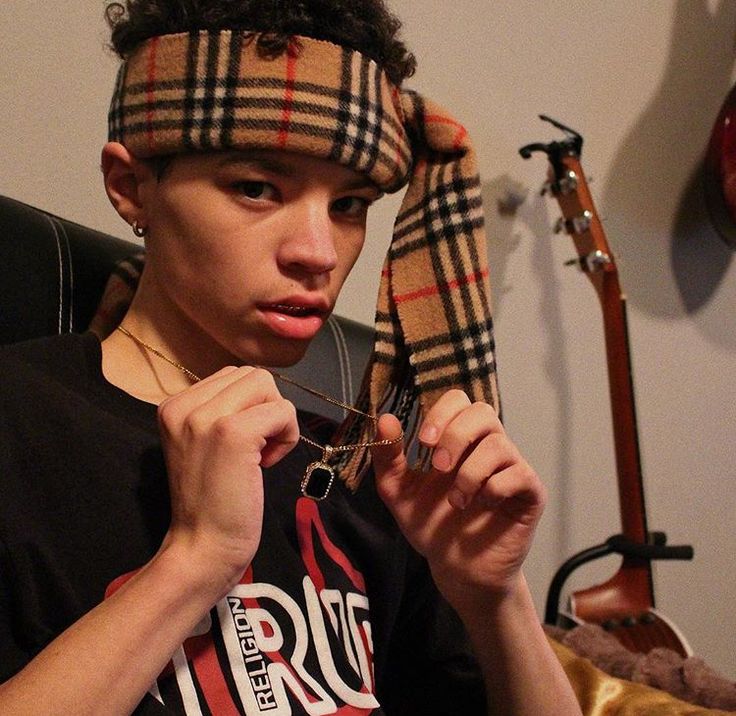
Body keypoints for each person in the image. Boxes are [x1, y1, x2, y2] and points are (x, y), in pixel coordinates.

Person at [0, 1, 582, 714]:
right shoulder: (20, 423)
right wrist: (197, 560)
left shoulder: (368, 472)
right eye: (256, 188)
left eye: (350, 205)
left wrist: (498, 601)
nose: (317, 253)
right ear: (131, 187)